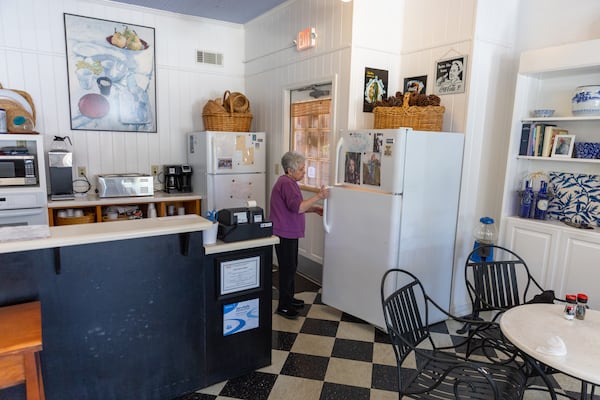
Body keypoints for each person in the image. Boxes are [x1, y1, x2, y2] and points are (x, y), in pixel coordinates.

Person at [270, 151, 329, 319]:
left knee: (290, 267)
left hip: (287, 232)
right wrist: (319, 197)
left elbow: (296, 206)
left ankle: (289, 299)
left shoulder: (288, 182)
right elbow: (298, 208)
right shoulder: (287, 184)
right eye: (301, 169)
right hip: (284, 233)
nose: (304, 172)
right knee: (288, 269)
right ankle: (284, 306)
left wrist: (313, 208)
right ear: (290, 170)